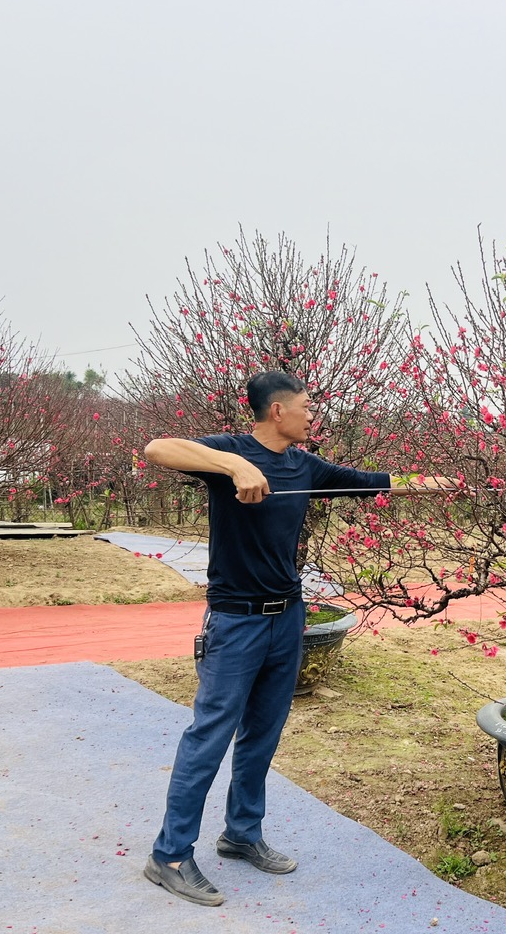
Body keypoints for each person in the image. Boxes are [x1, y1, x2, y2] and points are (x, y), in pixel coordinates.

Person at [143, 371, 461, 907]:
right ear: (277, 411)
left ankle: (241, 833)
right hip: (235, 620)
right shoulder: (230, 452)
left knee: (263, 734)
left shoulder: (304, 465)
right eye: (307, 407)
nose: (314, 416)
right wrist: (234, 465)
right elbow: (157, 448)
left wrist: (439, 483)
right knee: (210, 735)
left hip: (288, 618)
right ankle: (169, 855)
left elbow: (373, 481)